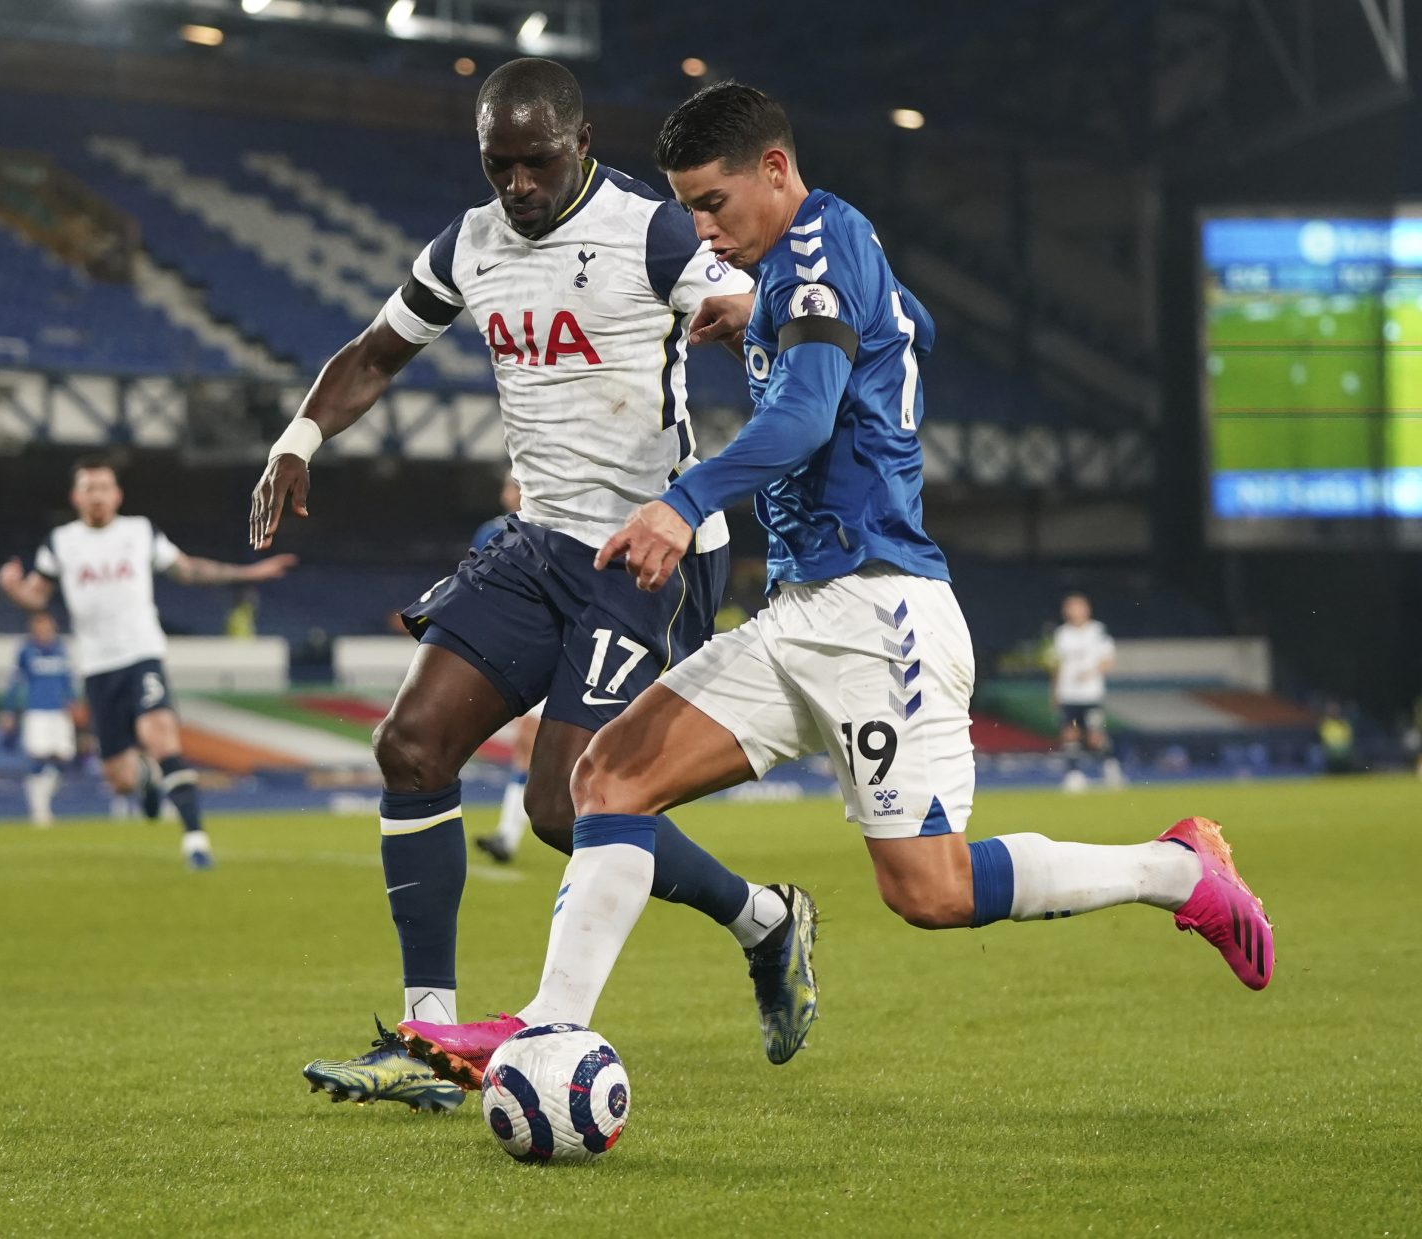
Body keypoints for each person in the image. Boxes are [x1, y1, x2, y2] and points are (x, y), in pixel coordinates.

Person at [397, 81, 1275, 1089]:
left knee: (929, 891)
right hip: (802, 613)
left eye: (713, 203)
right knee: (610, 776)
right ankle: (547, 1029)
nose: (699, 228)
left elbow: (808, 417)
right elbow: (917, 326)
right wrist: (761, 312)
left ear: (775, 171)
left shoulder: (818, 246)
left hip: (881, 615)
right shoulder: (804, 267)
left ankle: (1175, 872)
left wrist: (682, 503)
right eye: (685, 206)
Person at [255, 58, 801, 1114]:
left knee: (562, 805)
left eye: (537, 161)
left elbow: (742, 296)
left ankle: (765, 921)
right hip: (538, 542)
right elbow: (376, 351)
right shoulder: (467, 244)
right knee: (409, 748)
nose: (517, 184)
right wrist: (299, 437)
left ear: (582, 140)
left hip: (649, 550)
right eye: (498, 164)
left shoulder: (650, 232)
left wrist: (745, 311)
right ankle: (427, 1033)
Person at [0, 454, 296, 869]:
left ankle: (195, 840)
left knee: (161, 737)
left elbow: (188, 570)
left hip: (142, 654)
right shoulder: (60, 542)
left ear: (117, 494)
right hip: (98, 668)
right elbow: (36, 597)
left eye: (104, 487)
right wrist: (13, 589)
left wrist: (249, 575)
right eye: (89, 489)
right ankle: (146, 782)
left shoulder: (139, 532)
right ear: (76, 496)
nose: (97, 496)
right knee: (120, 780)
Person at [473, 473, 537, 865]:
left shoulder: (554, 529)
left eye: (516, 484)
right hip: (526, 647)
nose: (510, 491)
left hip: (555, 647)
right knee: (529, 750)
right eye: (510, 485)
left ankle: (509, 836)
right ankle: (508, 836)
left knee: (536, 750)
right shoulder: (493, 531)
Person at [0, 612, 77, 827]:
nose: (44, 632)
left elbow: (67, 679)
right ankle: (39, 812)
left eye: (48, 627)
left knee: (65, 758)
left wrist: (73, 701)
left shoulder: (61, 649)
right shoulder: (27, 651)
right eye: (40, 627)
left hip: (59, 713)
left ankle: (44, 802)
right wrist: (8, 710)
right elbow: (16, 681)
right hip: (37, 712)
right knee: (39, 758)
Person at [1049, 592, 1123, 791]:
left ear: (1086, 609)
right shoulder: (1062, 634)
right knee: (1069, 734)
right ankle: (1074, 774)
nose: (1072, 611)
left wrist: (1091, 672)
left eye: (1076, 606)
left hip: (1090, 694)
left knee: (1094, 736)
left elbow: (1108, 660)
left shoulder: (1098, 631)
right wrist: (1054, 691)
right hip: (1068, 695)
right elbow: (1057, 665)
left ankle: (1111, 768)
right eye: (1069, 607)